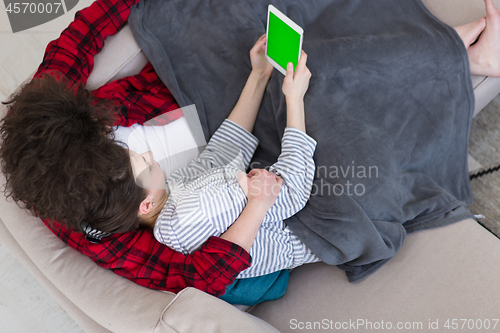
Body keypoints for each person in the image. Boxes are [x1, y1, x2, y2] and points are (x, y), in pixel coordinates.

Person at [1, 0, 500, 295]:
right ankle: (463, 57)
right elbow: (206, 267)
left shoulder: (54, 127)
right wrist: (256, 204)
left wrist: (259, 78)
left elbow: (224, 151)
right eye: (137, 158)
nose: (142, 150)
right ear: (145, 199)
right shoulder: (174, 214)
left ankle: (449, 49)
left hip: (212, 116)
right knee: (325, 86)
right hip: (275, 181)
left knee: (251, 25)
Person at [129, 36, 320, 278]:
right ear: (145, 205)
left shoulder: (171, 195)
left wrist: (259, 76)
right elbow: (292, 192)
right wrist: (294, 98)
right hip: (311, 227)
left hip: (289, 194)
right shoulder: (194, 212)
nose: (149, 154)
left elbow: (222, 153)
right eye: (145, 164)